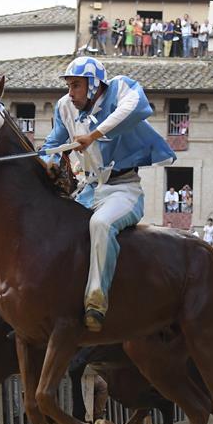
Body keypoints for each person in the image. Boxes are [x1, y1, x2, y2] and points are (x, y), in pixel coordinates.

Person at [40, 57, 176, 332]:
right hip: (88, 189)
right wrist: (50, 161)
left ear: (93, 86)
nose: (70, 92)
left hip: (124, 189)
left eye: (76, 85)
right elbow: (53, 143)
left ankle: (96, 303)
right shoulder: (64, 107)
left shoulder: (120, 87)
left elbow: (136, 108)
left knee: (100, 224)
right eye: (68, 85)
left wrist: (93, 134)